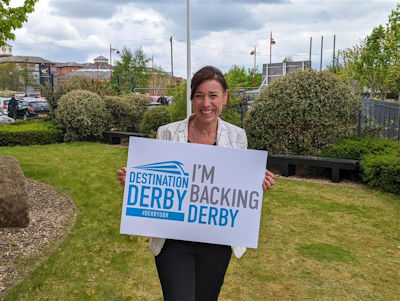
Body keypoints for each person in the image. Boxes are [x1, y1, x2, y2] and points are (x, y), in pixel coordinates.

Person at [117, 65, 275, 301]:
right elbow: (159, 176)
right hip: (173, 240)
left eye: (213, 96)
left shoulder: (237, 136)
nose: (206, 103)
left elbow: (236, 184)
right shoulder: (167, 133)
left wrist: (256, 182)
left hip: (217, 239)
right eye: (199, 95)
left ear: (225, 97)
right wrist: (136, 180)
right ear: (192, 98)